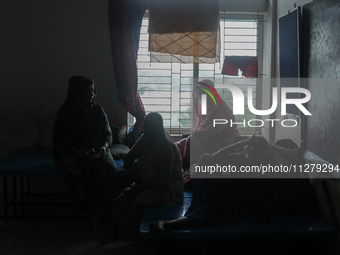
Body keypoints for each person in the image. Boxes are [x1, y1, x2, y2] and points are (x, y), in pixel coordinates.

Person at [150, 136, 318, 237]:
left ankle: (166, 223)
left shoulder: (267, 167)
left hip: (239, 204)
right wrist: (240, 144)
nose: (250, 148)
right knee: (206, 160)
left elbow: (274, 195)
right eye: (249, 145)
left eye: (255, 146)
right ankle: (192, 211)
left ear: (263, 151)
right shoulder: (241, 157)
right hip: (226, 194)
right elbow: (213, 158)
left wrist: (262, 212)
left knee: (208, 214)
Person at [53, 76, 118, 235]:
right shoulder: (66, 113)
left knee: (110, 170)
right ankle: (88, 213)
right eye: (88, 91)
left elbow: (107, 134)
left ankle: (105, 210)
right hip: (74, 153)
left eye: (93, 91)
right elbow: (62, 143)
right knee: (72, 173)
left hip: (97, 151)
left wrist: (103, 148)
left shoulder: (97, 110)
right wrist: (82, 155)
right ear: (77, 92)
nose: (92, 94)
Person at [112, 112, 184, 237]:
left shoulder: (167, 147)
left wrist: (139, 188)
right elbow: (129, 157)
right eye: (145, 127)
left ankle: (132, 235)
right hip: (146, 183)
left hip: (167, 190)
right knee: (119, 200)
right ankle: (119, 230)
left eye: (150, 127)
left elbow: (163, 181)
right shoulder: (146, 137)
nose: (146, 130)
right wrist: (134, 169)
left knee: (136, 204)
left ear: (159, 127)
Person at [176, 79, 240, 177]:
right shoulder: (211, 103)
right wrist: (198, 132)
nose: (200, 96)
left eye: (201, 93)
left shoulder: (216, 105)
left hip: (223, 139)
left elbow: (210, 129)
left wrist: (197, 132)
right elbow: (207, 127)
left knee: (190, 140)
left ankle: (187, 169)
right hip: (215, 136)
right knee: (183, 142)